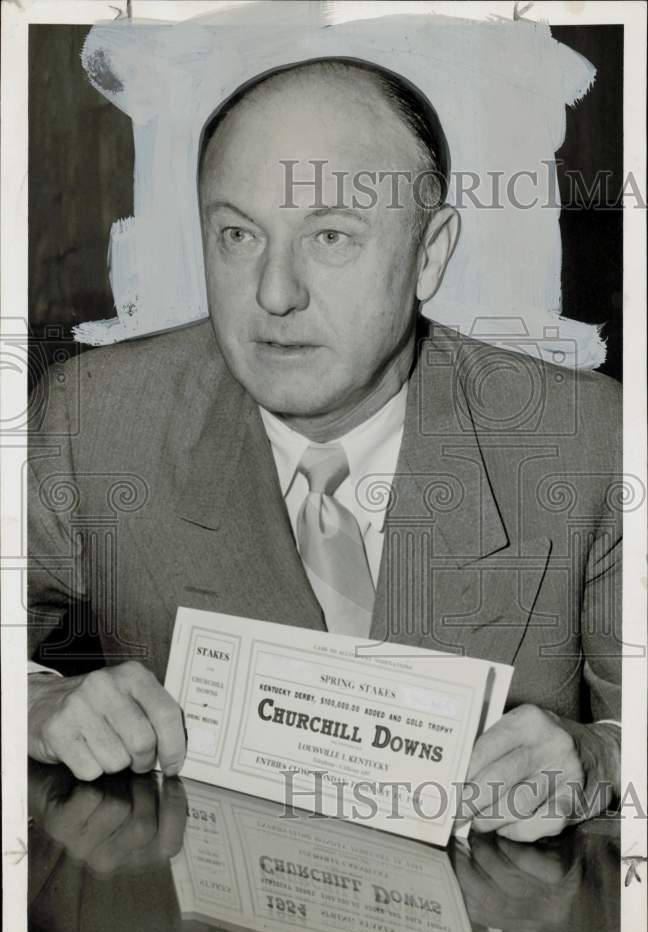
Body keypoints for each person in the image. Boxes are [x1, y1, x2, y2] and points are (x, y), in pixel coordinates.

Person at [27, 58, 622, 841]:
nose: (275, 293)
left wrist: (598, 758)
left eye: (331, 236)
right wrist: (35, 702)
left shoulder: (589, 441)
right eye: (237, 234)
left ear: (431, 253)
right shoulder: (93, 417)